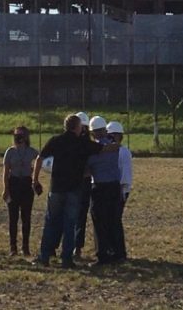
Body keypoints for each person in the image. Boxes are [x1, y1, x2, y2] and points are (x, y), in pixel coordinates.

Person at [32, 114, 117, 269]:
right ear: (78, 127)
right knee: (70, 224)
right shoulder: (82, 143)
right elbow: (103, 149)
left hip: (56, 188)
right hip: (74, 190)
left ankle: (44, 256)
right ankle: (67, 259)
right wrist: (116, 145)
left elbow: (39, 159)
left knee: (51, 222)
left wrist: (35, 180)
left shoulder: (55, 140)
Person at [86, 116, 123, 266]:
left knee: (99, 222)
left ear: (92, 132)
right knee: (114, 220)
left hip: (100, 187)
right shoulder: (114, 146)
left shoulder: (93, 149)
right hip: (114, 186)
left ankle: (103, 255)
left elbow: (88, 168)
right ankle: (118, 252)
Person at [2, 126, 39, 256]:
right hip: (14, 184)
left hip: (26, 185)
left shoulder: (32, 151)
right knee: (13, 218)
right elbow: (6, 172)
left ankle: (25, 246)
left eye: (21, 135)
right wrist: (5, 189)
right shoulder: (10, 152)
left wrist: (35, 178)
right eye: (16, 135)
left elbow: (41, 161)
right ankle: (13, 247)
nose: (18, 137)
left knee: (26, 217)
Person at [107, 120, 132, 262]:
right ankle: (112, 249)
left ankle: (119, 252)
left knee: (115, 220)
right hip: (113, 188)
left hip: (119, 189)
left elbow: (126, 175)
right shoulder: (111, 151)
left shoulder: (123, 152)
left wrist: (123, 190)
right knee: (111, 220)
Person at [74, 111, 92, 258]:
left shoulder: (88, 144)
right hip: (73, 181)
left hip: (83, 182)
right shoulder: (69, 142)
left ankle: (77, 246)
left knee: (80, 215)